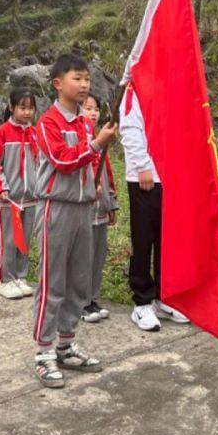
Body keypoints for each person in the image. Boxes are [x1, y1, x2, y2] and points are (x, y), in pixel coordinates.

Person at [32, 54, 116, 388]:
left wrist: (95, 183)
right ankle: (43, 352)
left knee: (78, 282)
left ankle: (66, 345)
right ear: (57, 83)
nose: (84, 85)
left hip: (84, 208)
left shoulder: (84, 120)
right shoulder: (49, 122)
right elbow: (62, 161)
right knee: (52, 282)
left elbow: (87, 161)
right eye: (77, 79)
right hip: (57, 208)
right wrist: (97, 143)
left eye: (86, 79)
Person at [119, 84, 189, 332]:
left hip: (170, 174)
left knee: (166, 239)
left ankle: (162, 297)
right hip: (144, 177)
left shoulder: (167, 86)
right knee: (143, 239)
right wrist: (142, 165)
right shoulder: (134, 88)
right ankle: (142, 302)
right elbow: (129, 128)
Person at [0, 88, 39, 300]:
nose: (27, 112)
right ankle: (6, 279)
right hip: (9, 199)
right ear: (12, 108)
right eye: (22, 107)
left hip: (31, 199)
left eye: (30, 108)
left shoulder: (35, 133)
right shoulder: (3, 132)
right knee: (9, 240)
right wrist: (2, 188)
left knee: (24, 240)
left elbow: (41, 163)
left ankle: (20, 276)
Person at [81, 94, 117, 323]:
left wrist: (111, 202)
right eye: (88, 108)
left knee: (98, 255)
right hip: (85, 207)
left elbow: (108, 174)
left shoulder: (98, 139)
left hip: (100, 208)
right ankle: (80, 302)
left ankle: (92, 298)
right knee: (83, 256)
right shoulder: (83, 139)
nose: (93, 113)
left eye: (95, 109)